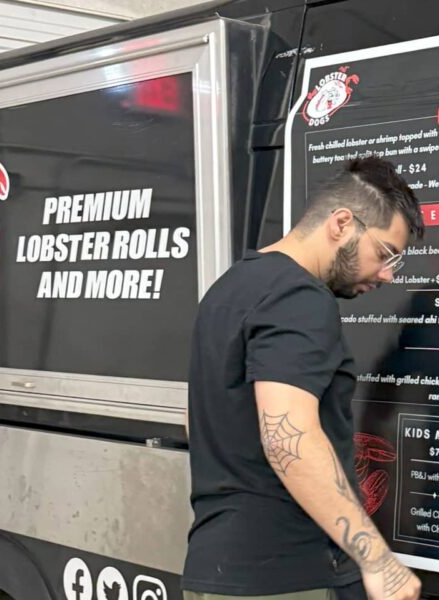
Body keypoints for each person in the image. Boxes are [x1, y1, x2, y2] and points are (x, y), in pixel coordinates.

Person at [182, 156, 425, 600]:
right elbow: (286, 437)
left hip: (218, 567)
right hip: (288, 575)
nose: (388, 274)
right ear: (342, 223)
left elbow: (197, 421)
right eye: (384, 253)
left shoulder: (228, 288)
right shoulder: (299, 297)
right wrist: (376, 559)